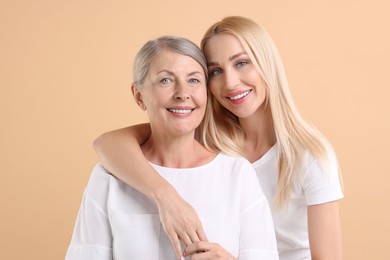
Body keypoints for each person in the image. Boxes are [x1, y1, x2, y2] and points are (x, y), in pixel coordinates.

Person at [93, 16, 344, 260]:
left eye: (242, 63)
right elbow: (106, 144)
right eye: (215, 71)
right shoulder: (205, 140)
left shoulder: (309, 156)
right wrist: (167, 198)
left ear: (267, 64)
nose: (231, 82)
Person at [66, 35, 278, 260]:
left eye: (194, 80)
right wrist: (166, 199)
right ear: (139, 96)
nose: (183, 93)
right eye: (166, 80)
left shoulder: (237, 174)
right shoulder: (108, 177)